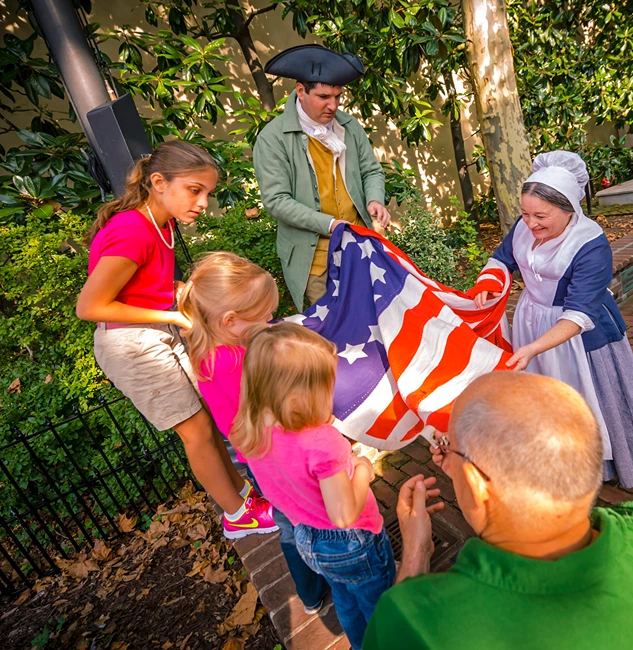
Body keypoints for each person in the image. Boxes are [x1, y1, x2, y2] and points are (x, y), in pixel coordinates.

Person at [363, 372, 633, 650]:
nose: (444, 447)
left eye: (451, 444)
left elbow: (405, 619)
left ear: (478, 486)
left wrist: (416, 553)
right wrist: (466, 474)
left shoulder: (418, 622)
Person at [75, 140, 277, 539]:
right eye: (194, 190)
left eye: (208, 193)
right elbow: (90, 306)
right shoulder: (133, 229)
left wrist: (179, 296)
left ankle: (242, 495)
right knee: (197, 431)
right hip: (132, 344)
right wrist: (171, 315)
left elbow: (141, 287)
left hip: (157, 331)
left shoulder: (161, 222)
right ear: (158, 182)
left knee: (206, 420)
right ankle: (238, 516)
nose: (203, 202)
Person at [471, 150, 633, 488]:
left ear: (569, 208)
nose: (530, 224)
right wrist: (489, 282)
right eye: (525, 214)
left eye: (540, 216)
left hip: (578, 334)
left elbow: (580, 313)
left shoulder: (590, 244)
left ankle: (599, 464)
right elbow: (502, 259)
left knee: (584, 397)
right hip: (531, 319)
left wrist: (533, 349)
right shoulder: (524, 225)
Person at [177, 252, 330, 614]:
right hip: (271, 453)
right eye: (263, 316)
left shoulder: (207, 346)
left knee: (286, 520)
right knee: (297, 524)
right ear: (230, 320)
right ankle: (317, 585)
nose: (269, 320)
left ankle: (310, 595)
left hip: (251, 453)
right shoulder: (238, 361)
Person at [230, 323, 395, 650]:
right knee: (381, 605)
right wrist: (363, 470)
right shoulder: (322, 443)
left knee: (344, 597)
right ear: (296, 399)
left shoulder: (252, 431)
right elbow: (344, 514)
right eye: (325, 388)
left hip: (307, 538)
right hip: (353, 543)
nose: (332, 396)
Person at [253, 44, 392, 311]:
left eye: (338, 96)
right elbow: (277, 201)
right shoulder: (272, 138)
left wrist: (375, 199)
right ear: (301, 91)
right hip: (314, 261)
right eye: (324, 96)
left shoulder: (348, 127)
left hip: (359, 249)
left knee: (373, 321)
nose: (333, 105)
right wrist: (329, 224)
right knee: (333, 332)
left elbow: (371, 170)